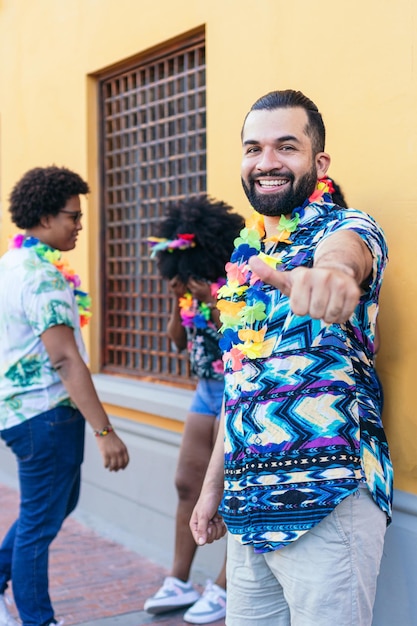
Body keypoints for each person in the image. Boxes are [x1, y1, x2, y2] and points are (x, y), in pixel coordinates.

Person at [190, 90, 393, 626]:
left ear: (318, 162)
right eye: (253, 148)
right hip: (247, 509)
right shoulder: (247, 257)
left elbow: (345, 256)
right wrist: (213, 489)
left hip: (326, 502)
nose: (267, 162)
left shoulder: (346, 227)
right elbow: (239, 389)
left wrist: (332, 277)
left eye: (287, 146)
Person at [0, 166, 130, 626]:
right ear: (43, 216)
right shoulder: (43, 277)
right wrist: (105, 431)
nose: (79, 225)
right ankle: (37, 619)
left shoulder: (10, 264)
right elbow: (66, 360)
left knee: (56, 506)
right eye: (73, 216)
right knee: (39, 524)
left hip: (21, 412)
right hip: (46, 414)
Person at [144, 196, 244, 624]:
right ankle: (179, 580)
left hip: (235, 388)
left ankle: (224, 586)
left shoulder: (236, 285)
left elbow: (245, 335)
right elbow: (178, 341)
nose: (184, 279)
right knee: (187, 482)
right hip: (205, 390)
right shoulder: (187, 295)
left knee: (234, 491)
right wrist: (177, 300)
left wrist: (214, 299)